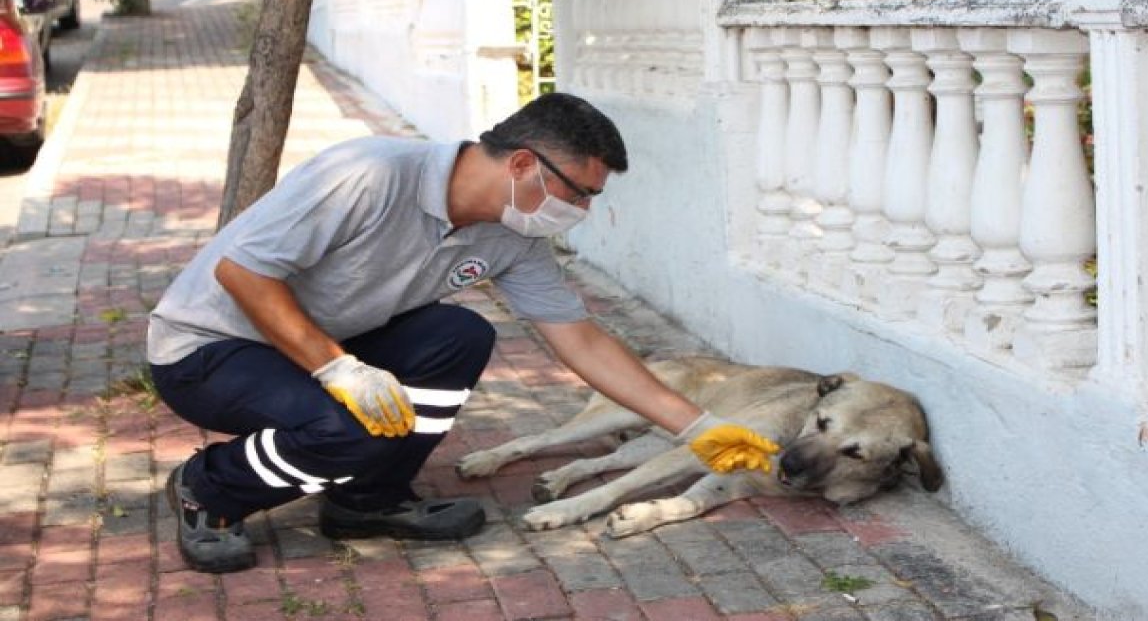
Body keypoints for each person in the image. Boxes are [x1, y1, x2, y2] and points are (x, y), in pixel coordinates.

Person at [146, 92, 779, 574]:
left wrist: (695, 428)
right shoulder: (368, 172)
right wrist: (337, 369)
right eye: (579, 193)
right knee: (348, 427)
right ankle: (211, 488)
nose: (582, 211)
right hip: (209, 350)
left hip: (322, 342)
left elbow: (580, 339)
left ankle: (368, 499)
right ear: (526, 163)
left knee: (459, 334)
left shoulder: (513, 234)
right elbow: (243, 271)